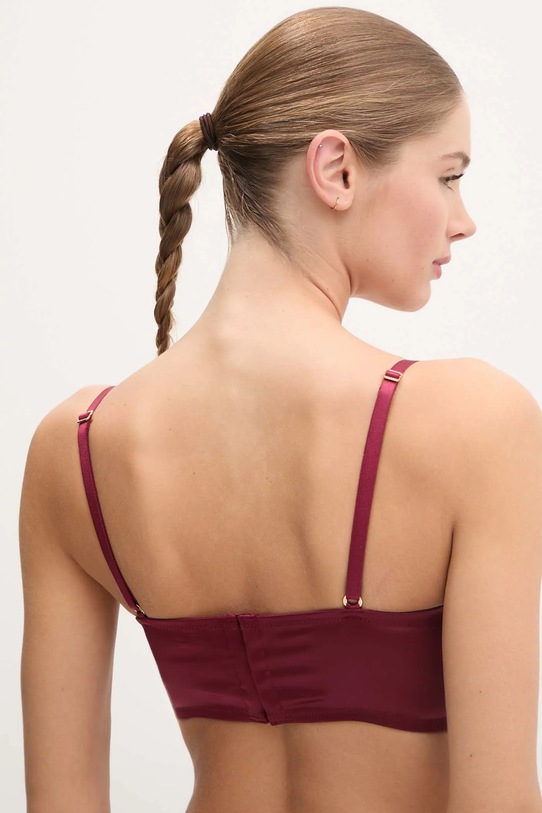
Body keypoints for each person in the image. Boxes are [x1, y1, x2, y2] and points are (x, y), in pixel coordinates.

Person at [19, 6, 542, 813]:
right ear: (336, 169)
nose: (463, 219)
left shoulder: (76, 448)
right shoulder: (474, 422)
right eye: (448, 175)